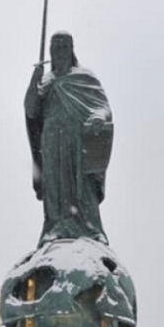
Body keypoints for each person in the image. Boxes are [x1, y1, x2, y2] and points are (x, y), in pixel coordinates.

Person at [24, 31, 113, 247]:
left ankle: (91, 228)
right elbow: (31, 110)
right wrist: (35, 80)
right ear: (51, 52)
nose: (60, 52)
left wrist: (98, 117)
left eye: (64, 47)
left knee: (81, 184)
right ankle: (55, 226)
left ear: (71, 49)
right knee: (56, 186)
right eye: (56, 48)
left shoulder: (84, 78)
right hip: (52, 139)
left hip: (78, 137)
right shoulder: (44, 81)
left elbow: (103, 107)